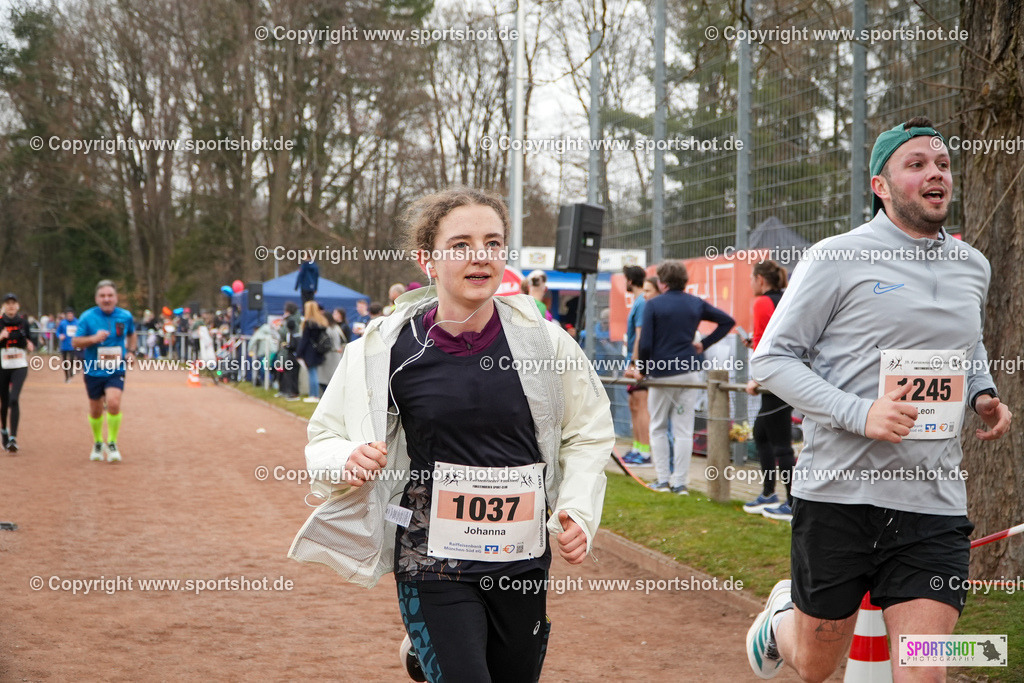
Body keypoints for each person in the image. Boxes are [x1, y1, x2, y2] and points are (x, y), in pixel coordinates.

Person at [288, 187, 614, 683]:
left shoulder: (544, 342)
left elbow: (588, 431)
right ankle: (435, 639)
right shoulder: (386, 349)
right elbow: (325, 434)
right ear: (428, 261)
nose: (480, 256)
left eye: (492, 243)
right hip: (429, 555)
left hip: (520, 560)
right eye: (461, 245)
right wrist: (348, 456)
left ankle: (425, 652)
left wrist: (578, 509)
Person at [746, 117, 1013, 682]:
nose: (935, 173)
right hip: (838, 497)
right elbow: (771, 359)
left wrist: (983, 392)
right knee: (817, 666)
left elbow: (968, 343)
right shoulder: (836, 257)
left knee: (924, 668)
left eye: (942, 164)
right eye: (916, 164)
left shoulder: (973, 265)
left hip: (932, 503)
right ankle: (777, 620)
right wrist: (860, 412)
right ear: (881, 186)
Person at [637, 261, 734, 494]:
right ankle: (680, 483)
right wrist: (703, 344)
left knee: (658, 426)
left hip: (661, 374)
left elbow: (646, 343)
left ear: (662, 282)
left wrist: (642, 369)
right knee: (683, 429)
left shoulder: (653, 305)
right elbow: (727, 321)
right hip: (689, 372)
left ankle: (663, 479)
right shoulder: (695, 303)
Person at [743, 260, 796, 521]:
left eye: (752, 279)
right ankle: (768, 494)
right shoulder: (785, 299)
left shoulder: (762, 302)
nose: (751, 284)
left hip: (776, 378)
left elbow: (765, 342)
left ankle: (793, 504)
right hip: (785, 373)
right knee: (761, 434)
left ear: (760, 280)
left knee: (782, 445)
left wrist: (758, 379)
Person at [73, 280, 137, 462]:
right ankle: (98, 442)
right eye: (102, 296)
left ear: (116, 298)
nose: (106, 299)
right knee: (96, 410)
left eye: (110, 295)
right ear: (97, 299)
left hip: (116, 369)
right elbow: (75, 342)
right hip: (93, 370)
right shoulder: (87, 317)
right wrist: (93, 338)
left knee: (113, 402)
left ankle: (112, 442)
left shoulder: (125, 316)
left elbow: (132, 334)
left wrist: (131, 352)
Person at [621, 265, 651, 466]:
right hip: (632, 359)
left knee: (641, 406)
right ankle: (637, 448)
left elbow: (640, 336)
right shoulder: (637, 302)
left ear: (631, 281)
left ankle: (645, 452)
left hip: (638, 362)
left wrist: (634, 362)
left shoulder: (641, 303)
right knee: (633, 405)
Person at [0, 293, 34, 452]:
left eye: (13, 303)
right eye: (8, 303)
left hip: (19, 365)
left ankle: (13, 438)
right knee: (4, 401)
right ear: (3, 306)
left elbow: (31, 341)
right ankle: (4, 431)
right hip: (2, 365)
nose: (11, 306)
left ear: (18, 306)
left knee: (14, 399)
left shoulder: (23, 323)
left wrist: (30, 344)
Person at [295, 300, 328, 402]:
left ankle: (314, 395)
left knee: (312, 373)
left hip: (310, 352)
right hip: (318, 351)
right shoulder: (321, 322)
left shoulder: (309, 323)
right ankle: (314, 394)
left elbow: (304, 340)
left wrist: (299, 353)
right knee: (314, 373)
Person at [318, 308, 349, 395]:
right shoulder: (335, 327)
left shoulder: (329, 329)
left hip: (331, 355)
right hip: (335, 355)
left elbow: (333, 344)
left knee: (327, 380)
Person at [277, 302, 302, 400]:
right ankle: (284, 390)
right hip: (288, 351)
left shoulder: (291, 321)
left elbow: (285, 333)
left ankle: (290, 392)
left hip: (289, 352)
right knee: (284, 370)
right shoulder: (295, 319)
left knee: (288, 371)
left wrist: (279, 327)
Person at [57, 307, 79, 382]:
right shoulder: (62, 323)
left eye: (71, 314)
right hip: (64, 345)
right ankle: (66, 376)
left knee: (72, 359)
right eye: (68, 314)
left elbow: (80, 331)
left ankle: (71, 370)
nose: (70, 316)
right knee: (65, 361)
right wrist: (60, 335)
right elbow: (58, 332)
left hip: (73, 345)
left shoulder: (77, 322)